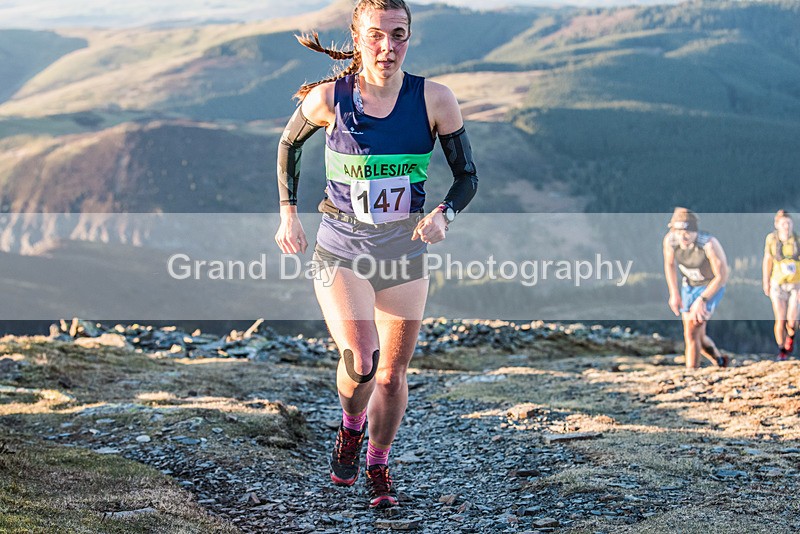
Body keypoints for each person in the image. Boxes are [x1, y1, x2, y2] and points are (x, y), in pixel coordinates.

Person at [274, 0, 477, 509]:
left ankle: (378, 463)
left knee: (391, 375)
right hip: (340, 248)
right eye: (376, 35)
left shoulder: (435, 99)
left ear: (409, 37)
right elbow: (289, 145)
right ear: (357, 38)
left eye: (398, 34)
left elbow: (467, 177)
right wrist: (288, 214)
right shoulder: (329, 99)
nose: (388, 46)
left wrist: (444, 214)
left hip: (404, 250)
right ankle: (350, 428)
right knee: (362, 360)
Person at [662, 207, 729, 369]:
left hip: (710, 286)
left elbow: (722, 276)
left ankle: (691, 372)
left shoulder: (708, 244)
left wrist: (702, 299)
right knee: (696, 333)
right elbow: (669, 264)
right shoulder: (670, 241)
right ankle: (720, 360)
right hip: (689, 286)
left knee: (691, 331)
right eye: (679, 232)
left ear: (695, 231)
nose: (683, 236)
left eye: (688, 232)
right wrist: (674, 293)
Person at [762, 210, 800, 361]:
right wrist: (766, 281)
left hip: (795, 284)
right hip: (777, 283)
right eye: (783, 223)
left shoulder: (797, 240)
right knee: (780, 318)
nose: (786, 226)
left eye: (789, 223)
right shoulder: (772, 240)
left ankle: (791, 336)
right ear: (777, 225)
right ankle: (781, 350)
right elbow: (768, 260)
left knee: (792, 319)